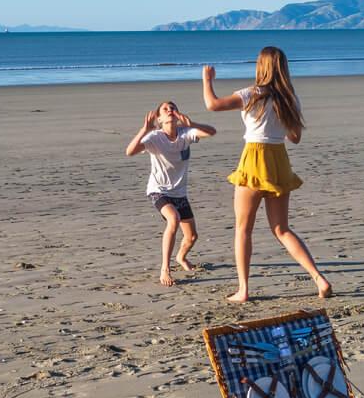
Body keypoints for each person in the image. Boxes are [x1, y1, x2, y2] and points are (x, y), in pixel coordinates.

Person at [202, 48, 333, 303]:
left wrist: (207, 80)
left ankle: (244, 289)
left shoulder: (252, 93)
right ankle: (318, 277)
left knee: (243, 229)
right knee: (281, 229)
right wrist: (275, 128)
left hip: (254, 157)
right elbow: (295, 138)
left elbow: (212, 105)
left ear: (260, 66)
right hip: (279, 159)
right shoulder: (290, 99)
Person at [124, 99, 217, 286]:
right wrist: (145, 129)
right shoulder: (154, 137)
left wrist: (192, 124)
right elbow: (130, 151)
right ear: (159, 118)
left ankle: (181, 257)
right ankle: (165, 268)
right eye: (165, 109)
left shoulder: (185, 134)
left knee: (192, 237)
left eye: (173, 108)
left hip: (180, 193)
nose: (170, 110)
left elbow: (211, 132)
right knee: (173, 219)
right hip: (159, 190)